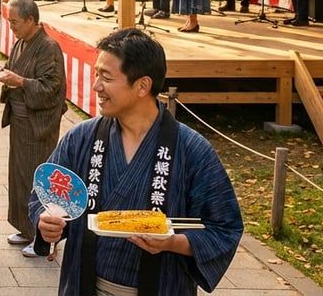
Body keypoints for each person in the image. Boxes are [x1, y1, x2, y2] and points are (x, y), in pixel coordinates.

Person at [31, 29, 244, 294]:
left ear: (142, 86)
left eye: (106, 77)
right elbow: (45, 197)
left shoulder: (191, 149)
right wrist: (47, 225)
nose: (96, 85)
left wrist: (172, 242)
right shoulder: (81, 138)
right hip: (84, 286)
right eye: (97, 74)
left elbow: (224, 228)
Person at [0, 0, 66, 254]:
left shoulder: (48, 47)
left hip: (37, 125)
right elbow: (14, 70)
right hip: (20, 120)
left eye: (15, 23)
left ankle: (43, 239)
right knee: (20, 176)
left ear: (31, 20)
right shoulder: (22, 42)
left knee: (38, 179)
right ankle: (26, 228)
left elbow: (51, 87)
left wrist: (21, 82)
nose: (11, 27)